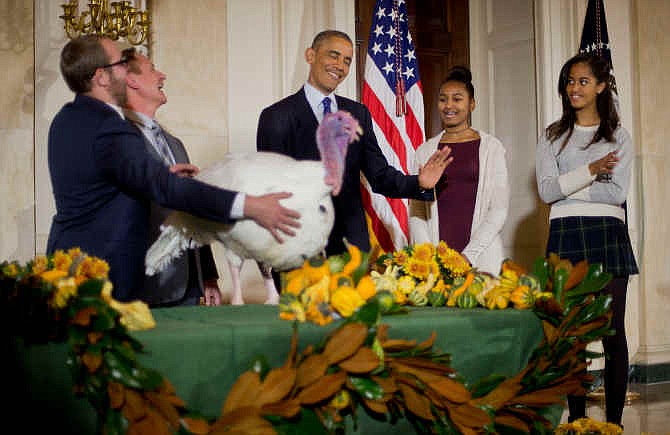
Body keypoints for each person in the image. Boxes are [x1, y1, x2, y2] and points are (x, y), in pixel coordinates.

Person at [46, 35, 301, 302]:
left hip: (75, 267)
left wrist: (160, 177)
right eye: (121, 63)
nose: (125, 69)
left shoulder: (66, 119)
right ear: (102, 77)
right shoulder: (109, 127)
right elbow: (163, 188)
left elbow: (107, 185)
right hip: (104, 275)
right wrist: (250, 206)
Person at [257, 30, 452, 259]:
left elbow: (379, 175)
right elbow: (271, 188)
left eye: (347, 61)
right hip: (299, 244)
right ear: (310, 55)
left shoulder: (358, 114)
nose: (340, 65)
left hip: (351, 247)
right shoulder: (276, 116)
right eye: (333, 55)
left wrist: (418, 183)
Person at [536, 52, 637, 428]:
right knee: (571, 334)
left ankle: (613, 423)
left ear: (600, 86)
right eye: (570, 81)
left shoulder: (618, 137)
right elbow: (545, 193)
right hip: (565, 235)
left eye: (582, 81)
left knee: (613, 333)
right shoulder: (552, 136)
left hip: (608, 235)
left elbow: (616, 194)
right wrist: (593, 171)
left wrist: (568, 187)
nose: (574, 88)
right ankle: (577, 421)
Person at [121, 48, 221, 307]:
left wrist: (208, 275)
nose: (162, 75)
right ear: (131, 80)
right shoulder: (118, 140)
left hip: (189, 284)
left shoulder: (175, 143)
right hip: (143, 286)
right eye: (152, 69)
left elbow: (192, 211)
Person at [409, 66, 510, 274]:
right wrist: (430, 256)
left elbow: (499, 208)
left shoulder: (492, 147)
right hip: (436, 260)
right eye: (443, 99)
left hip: (483, 256)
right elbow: (417, 210)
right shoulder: (424, 150)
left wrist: (468, 256)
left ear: (472, 104)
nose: (449, 106)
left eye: (457, 98)